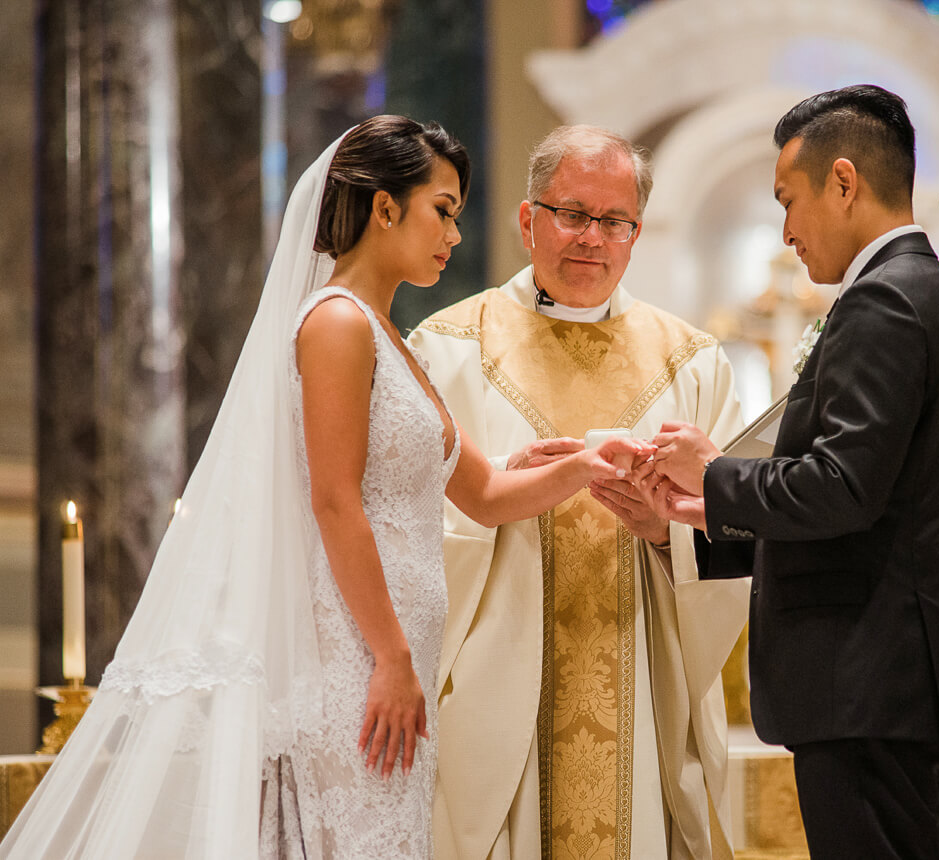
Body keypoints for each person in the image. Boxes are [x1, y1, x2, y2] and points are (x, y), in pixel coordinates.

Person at [0, 116, 646, 860]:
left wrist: (589, 466)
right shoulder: (338, 324)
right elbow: (335, 503)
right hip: (358, 661)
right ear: (384, 208)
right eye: (443, 210)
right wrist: (392, 660)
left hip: (393, 658)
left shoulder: (388, 335)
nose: (454, 236)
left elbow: (487, 494)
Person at [634, 85, 939, 860]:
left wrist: (715, 471)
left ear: (846, 182)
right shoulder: (916, 290)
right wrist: (693, 516)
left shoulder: (885, 301)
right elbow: (869, 501)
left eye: (789, 201)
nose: (786, 232)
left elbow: (842, 489)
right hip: (884, 676)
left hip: (868, 677)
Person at [406, 125, 747, 859]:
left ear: (637, 233)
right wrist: (498, 487)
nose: (592, 238)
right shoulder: (449, 349)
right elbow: (400, 523)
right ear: (529, 219)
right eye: (572, 213)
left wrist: (667, 531)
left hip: (643, 694)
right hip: (503, 702)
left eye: (614, 221)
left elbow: (740, 530)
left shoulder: (692, 363)